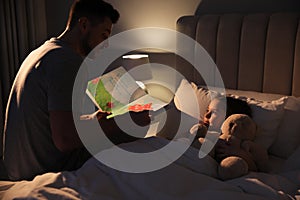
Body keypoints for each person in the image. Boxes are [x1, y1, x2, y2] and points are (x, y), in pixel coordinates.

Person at [2, 0, 120, 181]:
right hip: (43, 171)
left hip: (18, 169)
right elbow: (64, 139)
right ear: (84, 24)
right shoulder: (65, 61)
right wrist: (121, 123)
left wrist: (92, 119)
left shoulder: (43, 52)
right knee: (126, 143)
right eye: (104, 36)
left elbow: (57, 121)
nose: (106, 45)